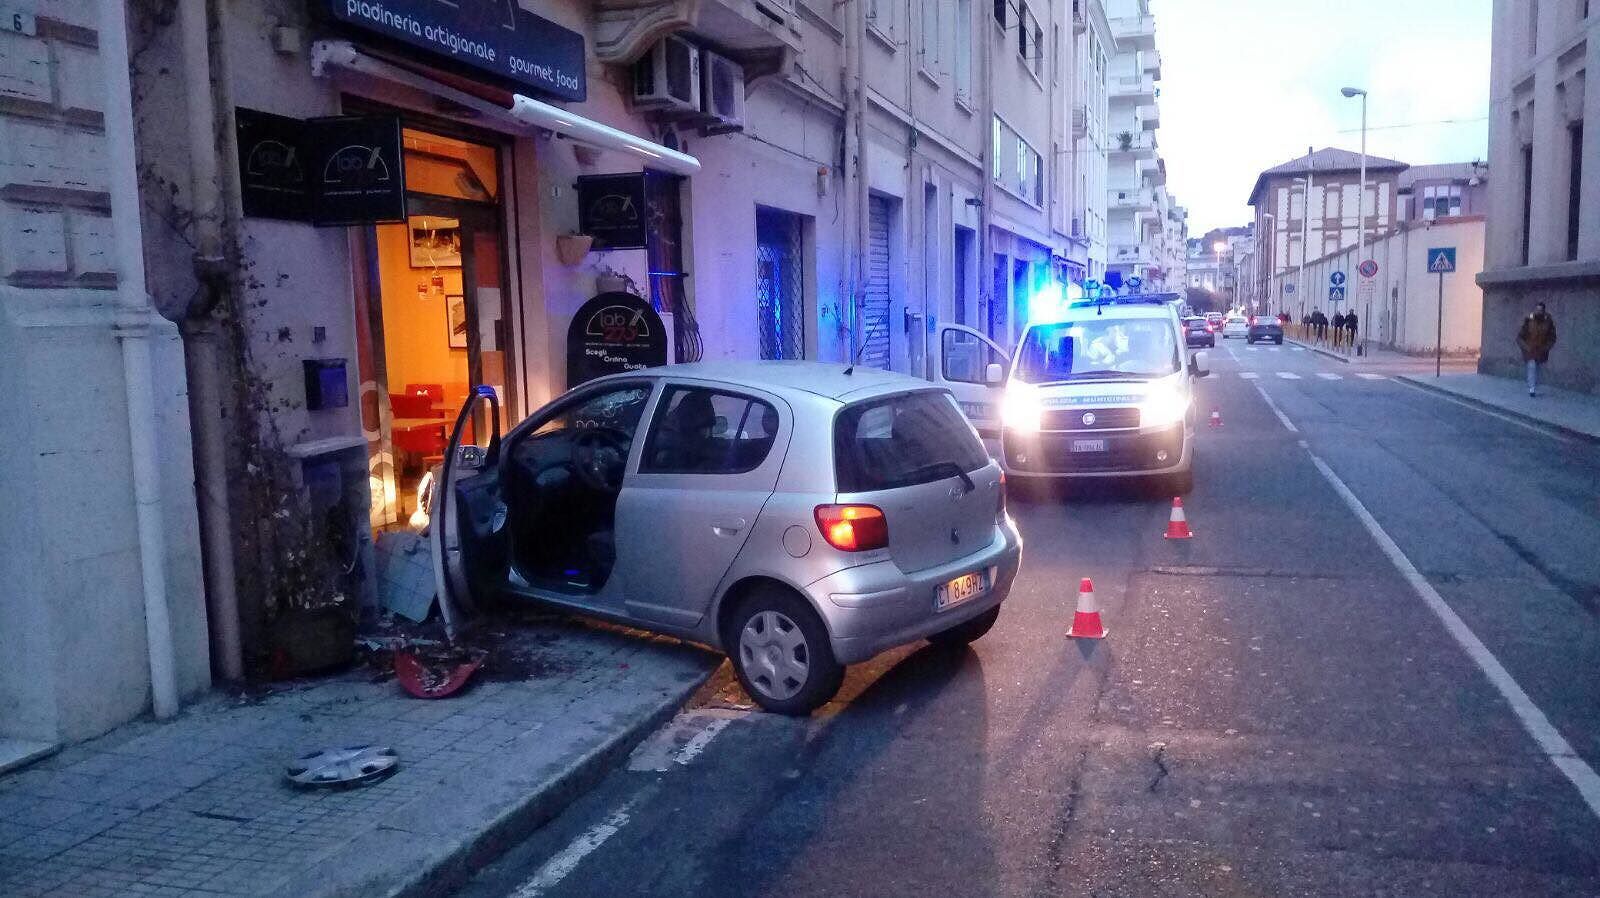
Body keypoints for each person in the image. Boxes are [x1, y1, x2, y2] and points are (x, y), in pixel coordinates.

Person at [1517, 302, 1558, 397]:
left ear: (1544, 311)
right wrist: (1526, 347)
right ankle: (1532, 388)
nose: (1539, 312)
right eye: (1537, 310)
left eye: (1541, 310)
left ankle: (1535, 385)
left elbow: (1552, 337)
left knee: (1538, 368)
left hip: (1541, 350)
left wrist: (1547, 347)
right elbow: (1520, 336)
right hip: (1530, 348)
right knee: (1532, 366)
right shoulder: (1528, 320)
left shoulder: (1548, 322)